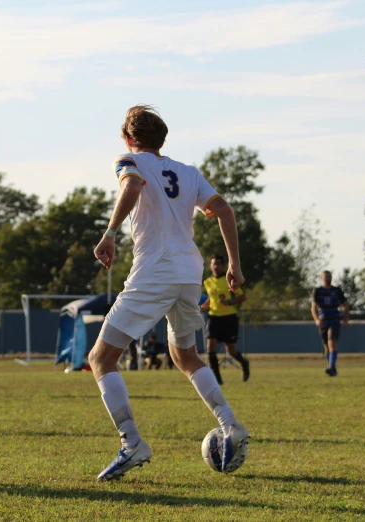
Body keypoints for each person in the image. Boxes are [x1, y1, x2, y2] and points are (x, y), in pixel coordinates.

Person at [88, 105, 249, 481]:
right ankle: (231, 425)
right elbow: (223, 209)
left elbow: (130, 185)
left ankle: (132, 443)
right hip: (188, 273)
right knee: (185, 355)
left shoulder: (128, 160)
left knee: (101, 358)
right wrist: (234, 265)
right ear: (163, 139)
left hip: (155, 271)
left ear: (129, 139)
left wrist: (109, 233)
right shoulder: (189, 173)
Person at [200, 254, 249, 383]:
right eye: (213, 264)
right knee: (210, 347)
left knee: (231, 351)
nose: (216, 266)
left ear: (223, 266)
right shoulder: (207, 282)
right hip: (214, 317)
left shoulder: (228, 280)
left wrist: (229, 302)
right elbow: (211, 299)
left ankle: (244, 363)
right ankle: (217, 379)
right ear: (210, 266)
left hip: (229, 318)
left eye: (218, 264)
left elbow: (242, 296)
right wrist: (203, 307)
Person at [311, 271, 349, 377]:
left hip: (334, 320)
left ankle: (332, 367)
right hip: (323, 320)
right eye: (326, 276)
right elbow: (313, 307)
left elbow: (345, 305)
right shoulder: (317, 291)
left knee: (332, 344)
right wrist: (316, 319)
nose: (328, 278)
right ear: (321, 278)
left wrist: (345, 318)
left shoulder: (336, 290)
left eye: (329, 276)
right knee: (326, 347)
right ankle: (333, 369)